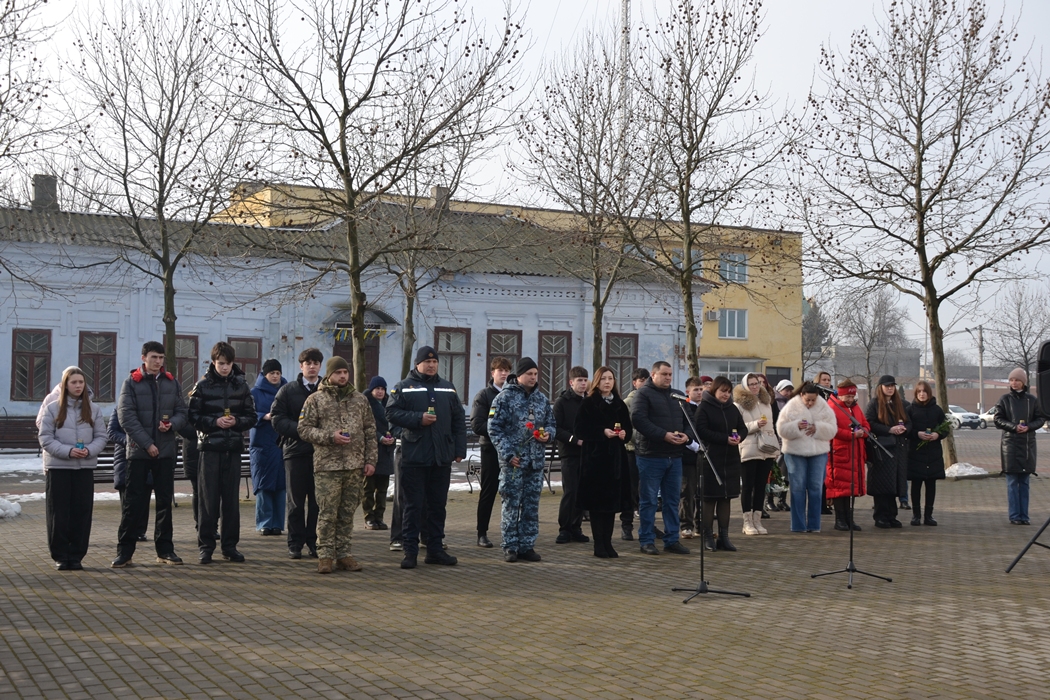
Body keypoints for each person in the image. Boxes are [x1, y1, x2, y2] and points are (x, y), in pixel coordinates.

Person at [386, 346, 467, 569]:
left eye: (435, 362)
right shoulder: (403, 387)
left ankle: (435, 550)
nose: (431, 365)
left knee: (437, 505)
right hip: (413, 456)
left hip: (441, 457)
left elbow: (458, 420)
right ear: (417, 364)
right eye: (427, 362)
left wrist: (459, 450)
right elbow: (391, 414)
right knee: (413, 506)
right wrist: (417, 419)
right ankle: (410, 551)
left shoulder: (447, 388)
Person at [297, 356, 378, 573]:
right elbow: (303, 429)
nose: (342, 376)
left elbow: (370, 430)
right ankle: (325, 555)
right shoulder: (315, 400)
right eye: (338, 373)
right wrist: (330, 437)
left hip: (354, 466)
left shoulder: (360, 400)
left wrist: (370, 460)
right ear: (329, 375)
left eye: (345, 372)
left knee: (347, 512)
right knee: (327, 512)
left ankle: (344, 553)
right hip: (327, 466)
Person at [113, 341, 188, 568]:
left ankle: (165, 550)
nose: (158, 362)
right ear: (143, 357)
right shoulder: (131, 383)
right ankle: (125, 552)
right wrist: (147, 444)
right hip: (138, 453)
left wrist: (172, 424)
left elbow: (181, 411)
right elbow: (126, 418)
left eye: (161, 358)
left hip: (165, 452)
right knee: (133, 504)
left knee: (165, 502)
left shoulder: (171, 382)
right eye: (154, 357)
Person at [189, 341, 257, 564]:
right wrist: (214, 421)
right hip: (209, 449)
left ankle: (230, 547)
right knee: (208, 501)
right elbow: (193, 418)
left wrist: (236, 421)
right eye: (221, 364)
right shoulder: (203, 386)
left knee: (230, 502)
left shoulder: (241, 385)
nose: (225, 368)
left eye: (228, 364)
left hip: (232, 449)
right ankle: (206, 547)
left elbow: (251, 417)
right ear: (213, 363)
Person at [38, 367, 107, 570]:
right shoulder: (52, 408)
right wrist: (68, 451)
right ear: (65, 385)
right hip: (58, 468)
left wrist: (88, 450)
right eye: (73, 382)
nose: (78, 386)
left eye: (81, 382)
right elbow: (45, 438)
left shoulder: (93, 409)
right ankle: (60, 555)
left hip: (84, 468)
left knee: (81, 512)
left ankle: (76, 555)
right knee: (58, 513)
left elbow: (101, 437)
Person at [487, 357, 555, 562]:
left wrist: (548, 435)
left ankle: (527, 545)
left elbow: (551, 423)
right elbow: (494, 428)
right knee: (511, 503)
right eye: (529, 374)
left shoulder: (541, 399)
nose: (533, 378)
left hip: (535, 462)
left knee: (531, 505)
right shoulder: (504, 398)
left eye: (535, 374)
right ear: (519, 375)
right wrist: (508, 454)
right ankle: (510, 546)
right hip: (514, 462)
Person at [629, 361, 691, 555]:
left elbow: (690, 420)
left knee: (672, 500)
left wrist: (687, 435)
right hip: (651, 455)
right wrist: (663, 435)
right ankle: (646, 539)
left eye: (670, 374)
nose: (668, 378)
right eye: (664, 374)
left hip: (675, 456)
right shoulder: (643, 394)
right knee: (649, 501)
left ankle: (672, 539)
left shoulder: (678, 396)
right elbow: (638, 419)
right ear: (653, 375)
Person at [573, 366, 632, 558]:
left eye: (611, 378)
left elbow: (629, 430)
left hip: (616, 460)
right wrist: (602, 432)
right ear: (597, 381)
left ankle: (608, 541)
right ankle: (599, 543)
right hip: (595, 460)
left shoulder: (620, 404)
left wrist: (624, 434)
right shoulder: (589, 403)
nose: (607, 382)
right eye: (604, 379)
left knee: (611, 504)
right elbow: (580, 429)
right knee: (597, 505)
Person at [270, 348, 323, 559]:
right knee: (296, 502)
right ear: (301, 366)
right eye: (308, 363)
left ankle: (314, 541)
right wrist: (302, 431)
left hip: (322, 454)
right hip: (295, 452)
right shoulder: (287, 390)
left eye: (316, 363)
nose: (312, 366)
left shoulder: (327, 391)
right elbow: (277, 418)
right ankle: (295, 543)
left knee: (318, 502)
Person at [694, 376, 747, 551]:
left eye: (729, 392)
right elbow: (700, 430)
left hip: (730, 459)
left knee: (726, 498)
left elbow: (743, 427)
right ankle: (708, 536)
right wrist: (724, 439)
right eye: (723, 391)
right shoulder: (704, 408)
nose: (726, 395)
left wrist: (740, 436)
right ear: (714, 390)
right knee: (710, 499)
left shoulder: (732, 408)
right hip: (711, 458)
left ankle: (724, 537)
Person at [776, 382, 837, 533]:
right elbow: (781, 430)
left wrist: (818, 428)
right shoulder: (791, 406)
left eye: (813, 400)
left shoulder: (824, 406)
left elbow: (832, 430)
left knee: (816, 488)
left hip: (818, 453)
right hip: (795, 452)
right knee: (797, 488)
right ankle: (798, 525)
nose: (810, 403)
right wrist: (796, 426)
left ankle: (815, 525)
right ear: (801, 395)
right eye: (807, 399)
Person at [994, 368, 1048, 525]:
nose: (1014, 383)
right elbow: (998, 419)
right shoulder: (1004, 400)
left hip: (1027, 446)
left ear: (1023, 382)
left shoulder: (1033, 400)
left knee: (1024, 482)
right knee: (1012, 482)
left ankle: (1024, 515)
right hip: (1010, 445)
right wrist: (1013, 427)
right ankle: (1014, 516)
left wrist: (1029, 427)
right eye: (1011, 380)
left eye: (1016, 380)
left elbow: (1040, 418)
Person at [469, 356, 512, 548]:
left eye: (506, 370)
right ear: (492, 373)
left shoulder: (513, 395)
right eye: (500, 370)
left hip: (512, 451)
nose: (503, 374)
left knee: (512, 491)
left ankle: (512, 532)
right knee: (489, 491)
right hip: (490, 449)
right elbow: (477, 425)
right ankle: (482, 533)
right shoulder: (484, 396)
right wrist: (500, 431)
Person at [865, 374, 911, 529]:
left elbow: (910, 422)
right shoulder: (874, 404)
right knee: (881, 485)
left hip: (899, 449)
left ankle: (892, 516)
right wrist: (889, 429)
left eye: (892, 386)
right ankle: (880, 516)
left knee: (894, 485)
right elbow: (869, 423)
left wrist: (904, 429)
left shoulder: (903, 404)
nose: (890, 388)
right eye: (887, 386)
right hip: (882, 449)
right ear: (881, 387)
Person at [734, 372, 777, 536]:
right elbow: (738, 428)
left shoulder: (766, 403)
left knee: (761, 486)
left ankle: (757, 520)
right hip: (748, 448)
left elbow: (771, 427)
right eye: (751, 384)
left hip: (766, 449)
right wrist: (755, 424)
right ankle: (747, 522)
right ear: (745, 386)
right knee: (747, 486)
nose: (755, 386)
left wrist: (775, 447)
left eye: (757, 383)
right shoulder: (739, 405)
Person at [825, 379, 869, 532]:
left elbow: (865, 423)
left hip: (855, 453)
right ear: (840, 395)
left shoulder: (856, 408)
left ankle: (849, 519)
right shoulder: (832, 407)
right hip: (839, 453)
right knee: (839, 489)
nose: (850, 399)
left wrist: (863, 431)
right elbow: (832, 429)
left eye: (852, 396)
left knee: (851, 489)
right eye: (847, 397)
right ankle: (840, 520)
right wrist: (851, 434)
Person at [250, 359, 287, 536]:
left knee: (281, 485)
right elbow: (247, 413)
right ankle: (265, 523)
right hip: (262, 444)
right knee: (264, 485)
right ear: (265, 375)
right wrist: (262, 416)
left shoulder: (287, 391)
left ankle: (278, 523)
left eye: (277, 373)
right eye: (272, 373)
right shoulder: (255, 393)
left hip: (282, 443)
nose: (275, 376)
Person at [553, 366, 590, 545]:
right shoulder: (562, 402)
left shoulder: (590, 401)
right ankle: (564, 528)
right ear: (571, 382)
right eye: (579, 381)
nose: (583, 384)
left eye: (585, 380)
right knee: (570, 491)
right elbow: (556, 428)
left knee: (583, 492)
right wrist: (575, 440)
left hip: (587, 453)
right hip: (569, 453)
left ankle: (576, 527)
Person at [906, 380, 948, 526]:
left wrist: (937, 434)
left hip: (933, 453)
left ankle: (928, 515)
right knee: (916, 485)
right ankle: (916, 515)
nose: (922, 394)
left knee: (931, 485)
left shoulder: (937, 410)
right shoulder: (910, 410)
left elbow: (945, 428)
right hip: (916, 452)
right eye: (919, 392)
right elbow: (906, 429)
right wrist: (917, 434)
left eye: (924, 391)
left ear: (929, 393)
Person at [109, 411, 149, 542]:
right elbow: (112, 432)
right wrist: (129, 441)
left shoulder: (149, 406)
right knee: (127, 496)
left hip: (146, 454)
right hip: (125, 456)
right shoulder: (119, 408)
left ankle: (140, 530)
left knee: (144, 493)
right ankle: (128, 530)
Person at [363, 376, 396, 530]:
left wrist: (392, 437)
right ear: (372, 390)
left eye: (382, 389)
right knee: (369, 487)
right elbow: (364, 427)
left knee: (382, 488)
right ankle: (369, 517)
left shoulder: (390, 404)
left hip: (387, 451)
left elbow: (395, 423)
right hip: (371, 449)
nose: (380, 392)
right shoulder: (365, 404)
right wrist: (380, 438)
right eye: (377, 389)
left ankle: (379, 517)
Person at [620, 367, 649, 541]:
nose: (644, 383)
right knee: (630, 491)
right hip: (631, 451)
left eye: (647, 380)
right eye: (641, 380)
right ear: (634, 382)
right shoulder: (627, 403)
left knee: (647, 492)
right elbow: (626, 426)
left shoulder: (651, 400)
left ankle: (648, 526)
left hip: (648, 452)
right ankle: (626, 526)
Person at [678, 376, 704, 539]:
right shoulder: (684, 407)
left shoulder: (706, 408)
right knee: (687, 492)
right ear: (688, 392)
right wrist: (692, 445)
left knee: (702, 492)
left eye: (701, 389)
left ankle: (701, 525)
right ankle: (686, 525)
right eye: (696, 390)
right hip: (687, 455)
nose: (700, 392)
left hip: (703, 456)